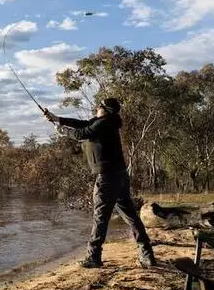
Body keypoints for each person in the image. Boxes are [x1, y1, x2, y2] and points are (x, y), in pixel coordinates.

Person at [43, 98, 156, 269]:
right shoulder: (106, 123)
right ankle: (147, 254)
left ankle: (93, 256)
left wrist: (62, 130)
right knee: (131, 216)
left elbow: (82, 133)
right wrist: (57, 118)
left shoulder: (104, 124)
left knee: (100, 217)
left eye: (100, 106)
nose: (96, 107)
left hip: (108, 178)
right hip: (120, 176)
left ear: (106, 110)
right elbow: (82, 124)